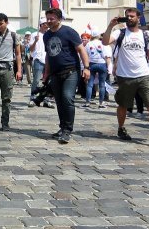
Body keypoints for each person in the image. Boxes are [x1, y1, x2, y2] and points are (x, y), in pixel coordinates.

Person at [102, 8, 149, 140]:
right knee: (123, 105)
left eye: (132, 16)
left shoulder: (146, 35)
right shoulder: (120, 33)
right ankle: (121, 127)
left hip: (144, 75)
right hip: (125, 76)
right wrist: (110, 26)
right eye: (127, 16)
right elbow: (105, 42)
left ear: (138, 18)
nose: (129, 18)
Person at [42, 8, 90, 144]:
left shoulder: (69, 32)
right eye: (48, 18)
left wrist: (86, 68)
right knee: (59, 101)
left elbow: (81, 49)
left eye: (52, 19)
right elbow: (48, 55)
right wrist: (46, 73)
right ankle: (62, 127)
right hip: (55, 73)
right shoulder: (46, 36)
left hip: (70, 71)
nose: (49, 21)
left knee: (67, 98)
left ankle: (68, 130)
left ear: (59, 18)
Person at [28, 18, 53, 108]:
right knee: (36, 80)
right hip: (38, 59)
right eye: (45, 24)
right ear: (41, 25)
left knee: (48, 81)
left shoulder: (49, 34)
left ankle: (46, 99)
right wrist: (35, 40)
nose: (47, 25)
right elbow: (30, 49)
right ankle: (33, 98)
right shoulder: (35, 34)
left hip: (48, 60)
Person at [83, 32, 110, 109]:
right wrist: (108, 66)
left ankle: (87, 102)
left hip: (92, 63)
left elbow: (86, 55)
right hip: (102, 63)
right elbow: (106, 55)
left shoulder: (89, 44)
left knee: (90, 84)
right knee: (102, 84)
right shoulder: (103, 43)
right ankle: (101, 103)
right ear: (98, 35)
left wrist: (86, 67)